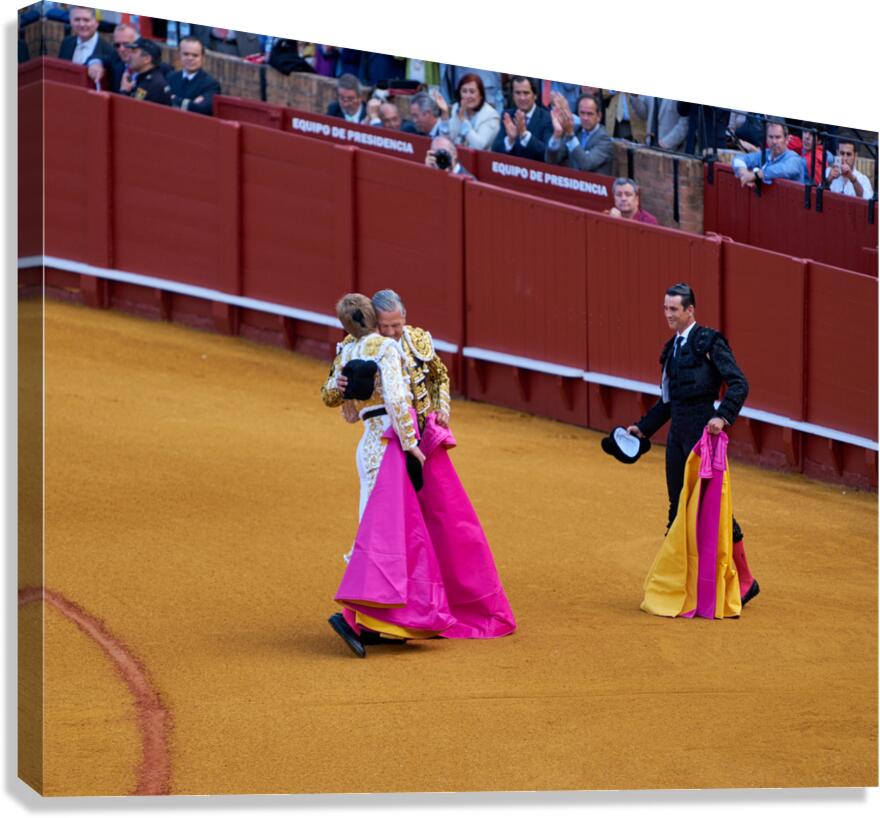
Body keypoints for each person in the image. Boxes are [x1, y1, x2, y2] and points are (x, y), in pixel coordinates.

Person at [323, 290, 516, 655]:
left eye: (398, 325)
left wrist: (441, 413)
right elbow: (362, 399)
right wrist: (341, 389)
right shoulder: (368, 347)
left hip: (417, 440)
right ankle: (364, 615)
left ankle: (391, 615)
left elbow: (439, 377)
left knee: (422, 526)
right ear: (373, 322)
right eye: (387, 326)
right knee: (390, 528)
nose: (394, 332)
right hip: (397, 441)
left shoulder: (403, 341)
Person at [626, 283, 759, 607]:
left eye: (674, 309)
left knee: (712, 507)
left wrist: (723, 416)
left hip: (705, 437)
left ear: (690, 310)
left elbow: (740, 383)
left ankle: (745, 579)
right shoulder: (670, 350)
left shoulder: (708, 342)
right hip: (677, 437)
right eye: (665, 309)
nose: (668, 315)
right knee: (677, 508)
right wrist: (641, 429)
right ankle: (679, 581)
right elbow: (667, 403)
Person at [545, 92, 613, 175]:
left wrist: (570, 134)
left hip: (592, 185)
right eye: (582, 113)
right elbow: (551, 161)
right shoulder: (576, 130)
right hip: (572, 182)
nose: (585, 118)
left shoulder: (604, 139)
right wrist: (557, 135)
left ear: (598, 116)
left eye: (589, 114)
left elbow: (586, 164)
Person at [491, 76, 553, 162]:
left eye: (526, 93)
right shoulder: (508, 115)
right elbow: (495, 150)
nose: (522, 98)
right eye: (518, 93)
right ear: (512, 96)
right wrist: (510, 140)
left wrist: (525, 134)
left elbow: (548, 154)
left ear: (535, 95)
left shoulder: (547, 118)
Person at [437, 73, 501, 151]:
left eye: (472, 92)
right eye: (464, 91)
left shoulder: (491, 116)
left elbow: (479, 146)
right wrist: (445, 114)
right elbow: (448, 140)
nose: (467, 96)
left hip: (481, 160)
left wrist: (463, 120)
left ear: (480, 95)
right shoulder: (457, 107)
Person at [731, 120, 805, 187]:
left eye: (778, 137)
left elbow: (781, 169)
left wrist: (755, 175)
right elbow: (738, 159)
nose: (774, 141)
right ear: (766, 139)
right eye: (771, 137)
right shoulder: (765, 154)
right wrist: (744, 173)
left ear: (786, 140)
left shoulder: (794, 159)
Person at [57, 6, 114, 88]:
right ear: (70, 21)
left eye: (86, 20)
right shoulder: (66, 43)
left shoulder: (109, 50)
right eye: (77, 20)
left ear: (96, 23)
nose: (81, 24)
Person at [167, 36, 221, 115]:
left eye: (195, 55)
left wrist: (174, 99)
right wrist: (190, 103)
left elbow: (201, 108)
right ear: (179, 55)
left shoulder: (211, 84)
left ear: (202, 57)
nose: (190, 58)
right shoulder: (171, 77)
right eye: (186, 54)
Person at [121, 38, 172, 105]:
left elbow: (133, 111)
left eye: (134, 52)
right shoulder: (143, 79)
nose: (129, 55)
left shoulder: (155, 85)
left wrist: (124, 92)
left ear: (147, 59)